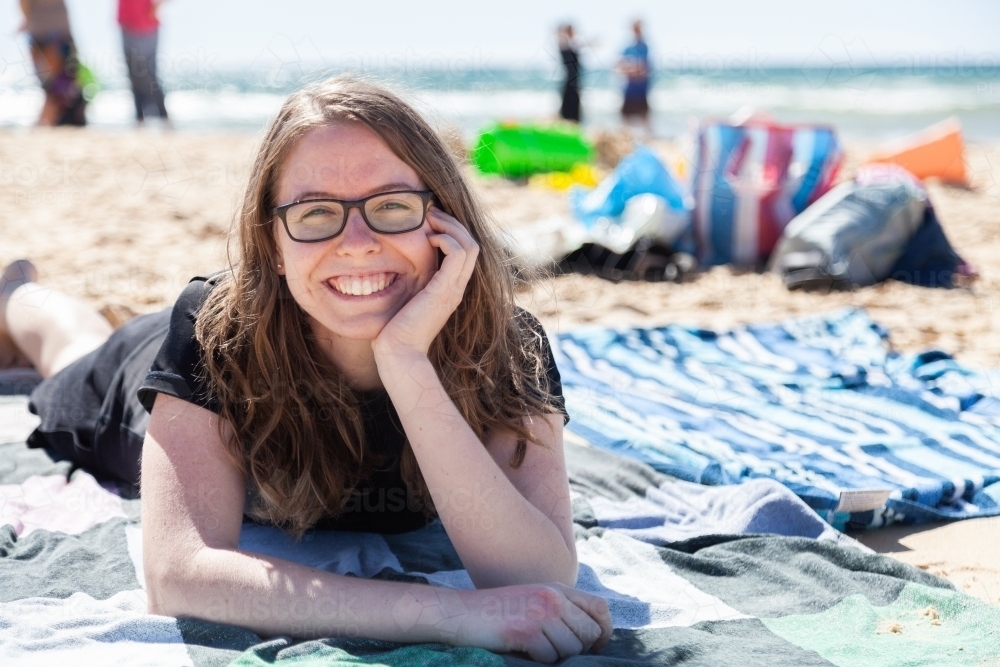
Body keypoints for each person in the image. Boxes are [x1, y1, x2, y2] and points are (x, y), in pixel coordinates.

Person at [0, 77, 612, 663]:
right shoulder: (214, 333)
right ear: (272, 243)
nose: (356, 242)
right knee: (70, 347)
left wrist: (404, 362)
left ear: (446, 222)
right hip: (143, 374)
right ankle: (18, 295)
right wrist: (453, 614)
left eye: (392, 207)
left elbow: (539, 579)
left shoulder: (506, 344)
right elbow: (178, 573)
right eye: (316, 214)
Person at [18, 0, 87, 126]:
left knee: (54, 86)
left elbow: (24, 3)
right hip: (56, 31)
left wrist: (27, 19)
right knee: (60, 87)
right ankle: (43, 124)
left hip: (39, 30)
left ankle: (42, 124)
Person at [118, 0, 170, 126]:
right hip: (127, 25)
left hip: (147, 28)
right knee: (134, 76)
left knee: (150, 74)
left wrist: (156, 7)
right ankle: (139, 119)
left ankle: (164, 117)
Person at [617, 20, 652, 136]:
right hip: (629, 89)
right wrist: (634, 69)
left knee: (644, 117)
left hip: (641, 88)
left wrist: (631, 69)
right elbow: (619, 66)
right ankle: (625, 139)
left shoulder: (644, 46)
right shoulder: (627, 47)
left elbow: (643, 68)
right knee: (625, 118)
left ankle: (649, 139)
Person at [557, 24, 581, 123]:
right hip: (569, 81)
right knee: (567, 109)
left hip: (576, 81)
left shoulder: (575, 44)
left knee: (575, 109)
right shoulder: (564, 43)